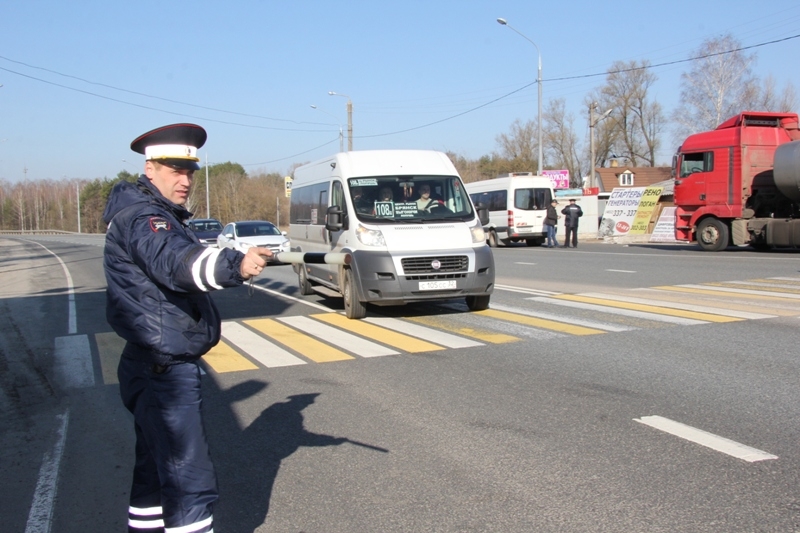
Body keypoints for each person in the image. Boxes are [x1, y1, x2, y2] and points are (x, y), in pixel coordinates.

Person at [103, 123, 274, 533]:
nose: (185, 180)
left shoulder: (146, 211)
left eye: (190, 171)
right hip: (163, 368)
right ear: (150, 168)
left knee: (154, 470)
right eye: (174, 170)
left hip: (148, 361)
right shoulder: (146, 217)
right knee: (187, 478)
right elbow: (177, 264)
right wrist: (235, 264)